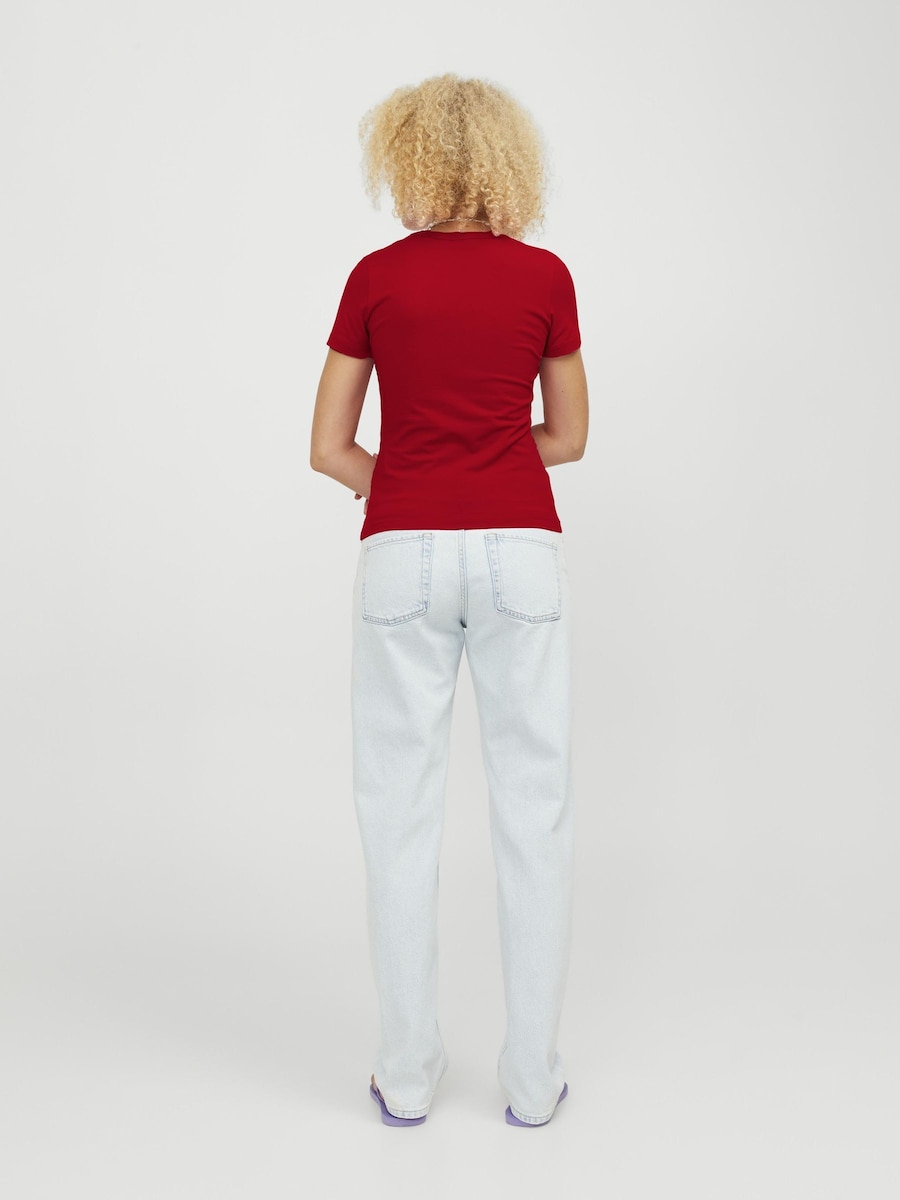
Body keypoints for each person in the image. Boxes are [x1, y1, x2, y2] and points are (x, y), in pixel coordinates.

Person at [310, 73, 589, 1127]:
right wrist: (490, 461)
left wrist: (409, 477)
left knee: (398, 815)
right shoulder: (545, 277)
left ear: (409, 156)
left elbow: (328, 447)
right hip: (521, 552)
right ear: (509, 161)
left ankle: (409, 1075)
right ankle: (532, 1084)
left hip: (401, 553)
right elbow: (568, 437)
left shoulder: (375, 278)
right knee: (535, 810)